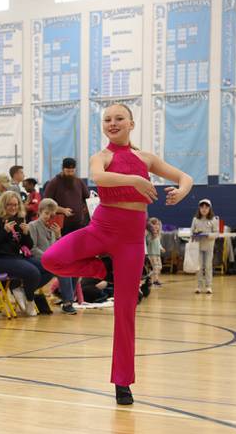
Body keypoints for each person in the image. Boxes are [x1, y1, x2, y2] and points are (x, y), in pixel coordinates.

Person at [41, 103, 192, 405]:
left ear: (131, 123)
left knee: (125, 312)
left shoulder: (145, 158)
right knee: (50, 259)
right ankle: (103, 271)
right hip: (101, 229)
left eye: (118, 118)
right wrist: (135, 181)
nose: (112, 123)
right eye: (107, 119)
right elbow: (100, 178)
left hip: (132, 242)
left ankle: (122, 382)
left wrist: (181, 191)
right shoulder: (103, 156)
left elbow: (184, 177)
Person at [0, 191, 51, 317]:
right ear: (3, 205)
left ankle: (23, 290)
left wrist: (26, 234)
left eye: (15, 205)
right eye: (9, 205)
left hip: (18, 257)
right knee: (33, 272)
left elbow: (29, 246)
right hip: (1, 259)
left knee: (49, 266)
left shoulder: (19, 219)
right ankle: (30, 301)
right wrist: (4, 231)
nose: (13, 207)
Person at [42, 157, 91, 235]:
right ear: (63, 169)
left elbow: (88, 199)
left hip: (78, 224)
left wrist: (85, 209)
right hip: (60, 225)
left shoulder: (79, 182)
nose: (70, 173)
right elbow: (45, 203)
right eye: (68, 171)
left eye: (72, 171)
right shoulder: (54, 183)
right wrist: (62, 210)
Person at [191, 199, 217, 294]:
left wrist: (208, 235)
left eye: (206, 207)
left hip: (209, 247)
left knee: (208, 266)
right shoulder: (195, 219)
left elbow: (216, 234)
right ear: (199, 208)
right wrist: (195, 234)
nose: (204, 209)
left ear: (210, 209)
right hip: (198, 247)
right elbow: (191, 232)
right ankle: (199, 286)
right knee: (199, 267)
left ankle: (208, 286)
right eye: (202, 207)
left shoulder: (214, 219)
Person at [146, 217, 164, 287]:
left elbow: (158, 243)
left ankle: (149, 277)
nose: (156, 226)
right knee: (156, 267)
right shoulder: (150, 234)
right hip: (151, 254)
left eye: (157, 224)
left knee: (159, 267)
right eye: (154, 224)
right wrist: (153, 237)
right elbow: (148, 241)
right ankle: (155, 281)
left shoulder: (158, 235)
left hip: (157, 254)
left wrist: (161, 248)